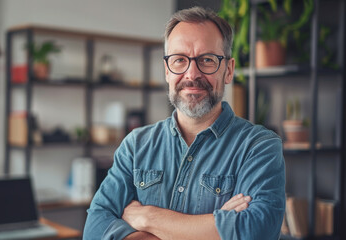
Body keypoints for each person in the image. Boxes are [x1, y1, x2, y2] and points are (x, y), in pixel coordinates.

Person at [83, 6, 285, 240]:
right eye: (179, 60)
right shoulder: (135, 146)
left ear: (228, 70)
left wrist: (147, 217)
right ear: (167, 71)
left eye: (207, 60)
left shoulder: (259, 146)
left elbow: (257, 231)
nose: (191, 74)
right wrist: (216, 227)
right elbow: (94, 229)